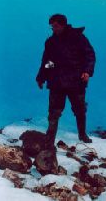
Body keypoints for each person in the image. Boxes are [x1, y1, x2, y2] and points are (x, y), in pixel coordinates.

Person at [36, 14, 96, 148]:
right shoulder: (51, 42)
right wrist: (41, 77)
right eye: (52, 27)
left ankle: (82, 135)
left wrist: (87, 71)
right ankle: (49, 139)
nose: (53, 29)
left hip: (76, 80)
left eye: (56, 26)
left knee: (80, 109)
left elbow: (89, 54)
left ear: (63, 25)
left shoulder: (78, 38)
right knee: (54, 112)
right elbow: (48, 62)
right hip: (57, 81)